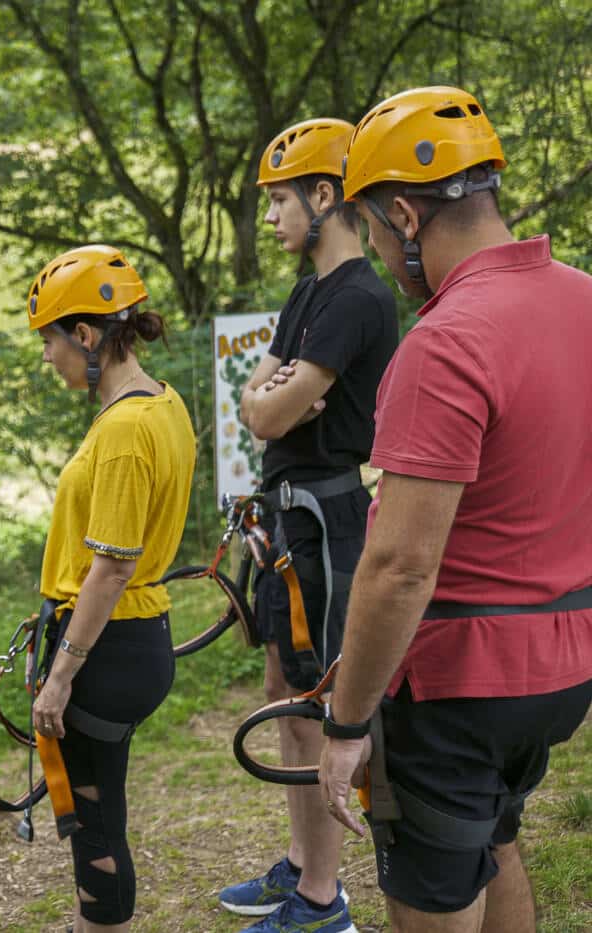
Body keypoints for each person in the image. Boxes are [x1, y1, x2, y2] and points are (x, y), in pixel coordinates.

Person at [318, 85, 592, 933]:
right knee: (496, 839)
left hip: (454, 685)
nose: (374, 245)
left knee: (434, 893)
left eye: (369, 226)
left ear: (404, 213)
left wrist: (347, 722)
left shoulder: (446, 341)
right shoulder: (584, 301)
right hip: (563, 664)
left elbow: (400, 566)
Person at [222, 119, 399, 932]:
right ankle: (300, 866)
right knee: (285, 692)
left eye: (281, 200)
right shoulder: (306, 294)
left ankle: (323, 902)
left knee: (319, 699)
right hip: (291, 520)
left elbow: (274, 407)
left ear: (325, 196)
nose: (270, 217)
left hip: (328, 518)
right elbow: (258, 404)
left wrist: (277, 401)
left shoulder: (360, 294)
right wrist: (275, 400)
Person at [26, 244, 196, 931]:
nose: (47, 357)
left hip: (107, 642)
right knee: (98, 815)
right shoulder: (163, 404)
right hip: (132, 634)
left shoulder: (125, 430)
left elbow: (113, 565)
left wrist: (61, 674)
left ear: (87, 335)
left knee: (94, 826)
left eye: (50, 342)